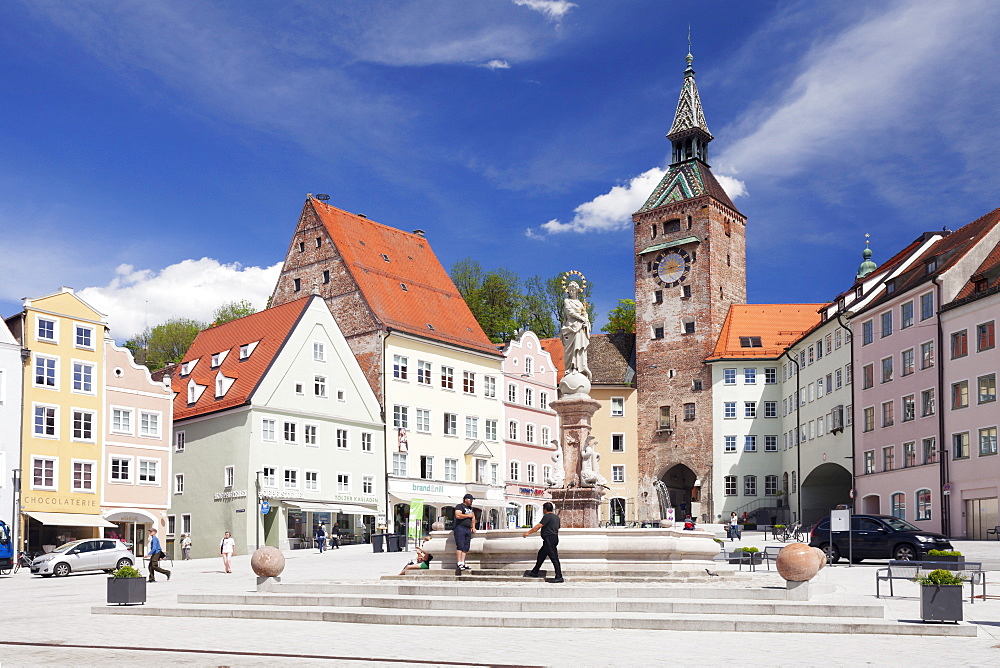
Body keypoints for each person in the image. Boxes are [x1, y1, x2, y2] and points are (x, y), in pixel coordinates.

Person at [522, 502, 563, 583]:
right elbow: (557, 527)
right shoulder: (556, 517)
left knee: (554, 558)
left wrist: (527, 533)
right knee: (541, 555)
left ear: (545, 509)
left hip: (549, 539)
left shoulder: (547, 516)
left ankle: (559, 576)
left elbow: (538, 526)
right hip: (553, 538)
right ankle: (535, 571)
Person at [559, 281, 591, 379]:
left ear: (577, 291)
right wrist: (582, 318)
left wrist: (586, 319)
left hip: (580, 328)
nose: (571, 292)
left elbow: (584, 313)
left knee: (580, 347)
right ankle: (570, 368)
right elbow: (570, 312)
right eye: (570, 290)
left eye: (573, 290)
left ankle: (579, 367)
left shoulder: (580, 303)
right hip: (571, 327)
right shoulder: (567, 301)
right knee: (570, 350)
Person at [454, 493, 476, 571]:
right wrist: (468, 515)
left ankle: (463, 562)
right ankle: (459, 563)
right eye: (470, 500)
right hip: (460, 527)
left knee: (466, 547)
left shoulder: (470, 508)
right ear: (465, 499)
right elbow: (458, 515)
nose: (471, 501)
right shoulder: (459, 506)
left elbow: (473, 517)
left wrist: (473, 527)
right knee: (460, 545)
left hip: (468, 528)